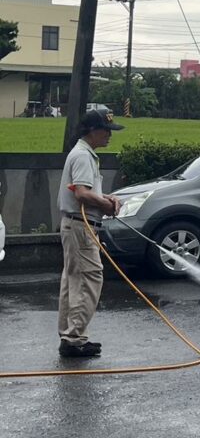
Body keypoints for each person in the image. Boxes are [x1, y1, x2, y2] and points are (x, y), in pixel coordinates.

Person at [57, 109, 124, 357]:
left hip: (74, 225)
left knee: (73, 280)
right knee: (89, 279)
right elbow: (82, 194)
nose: (110, 136)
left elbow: (85, 191)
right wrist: (106, 205)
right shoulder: (84, 156)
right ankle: (75, 338)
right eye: (107, 131)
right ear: (93, 131)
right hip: (81, 227)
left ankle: (70, 336)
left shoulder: (82, 153)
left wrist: (105, 198)